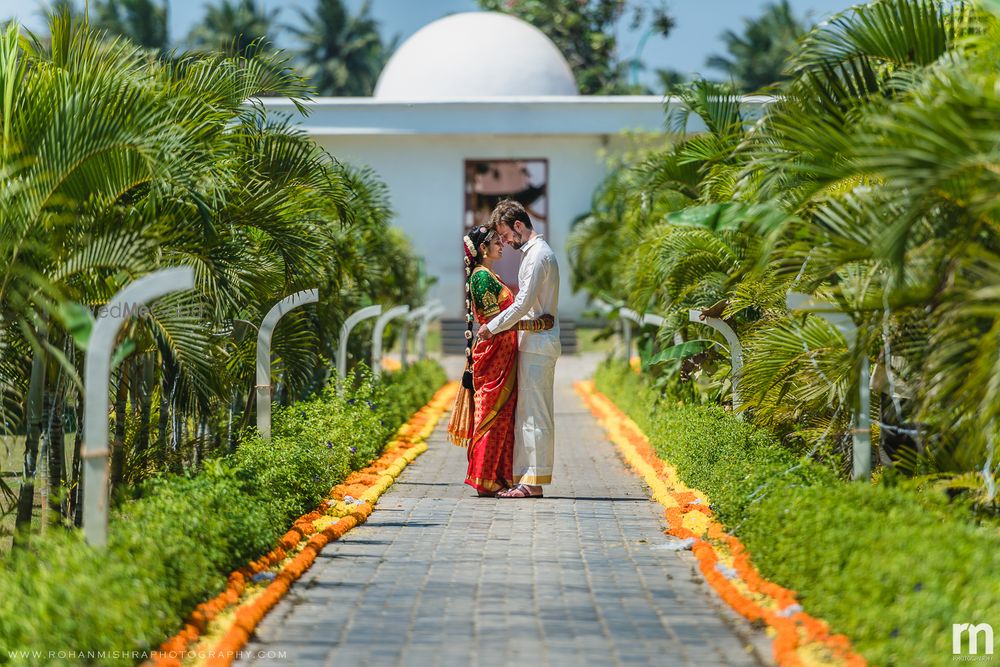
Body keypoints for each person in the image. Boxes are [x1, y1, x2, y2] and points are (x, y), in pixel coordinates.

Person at [449, 223, 554, 497]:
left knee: (503, 415)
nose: (502, 244)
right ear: (483, 249)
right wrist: (536, 326)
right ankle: (485, 478)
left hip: (503, 351)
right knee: (492, 416)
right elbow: (494, 324)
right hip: (494, 354)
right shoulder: (482, 278)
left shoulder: (488, 275)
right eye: (497, 240)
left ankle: (499, 477)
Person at [478, 199, 560, 499]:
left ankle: (533, 483)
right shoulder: (534, 254)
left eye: (506, 234)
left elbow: (524, 303)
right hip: (533, 343)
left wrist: (492, 326)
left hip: (539, 345)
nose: (506, 241)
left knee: (535, 414)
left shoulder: (538, 256)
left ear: (518, 225)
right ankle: (526, 479)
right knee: (528, 414)